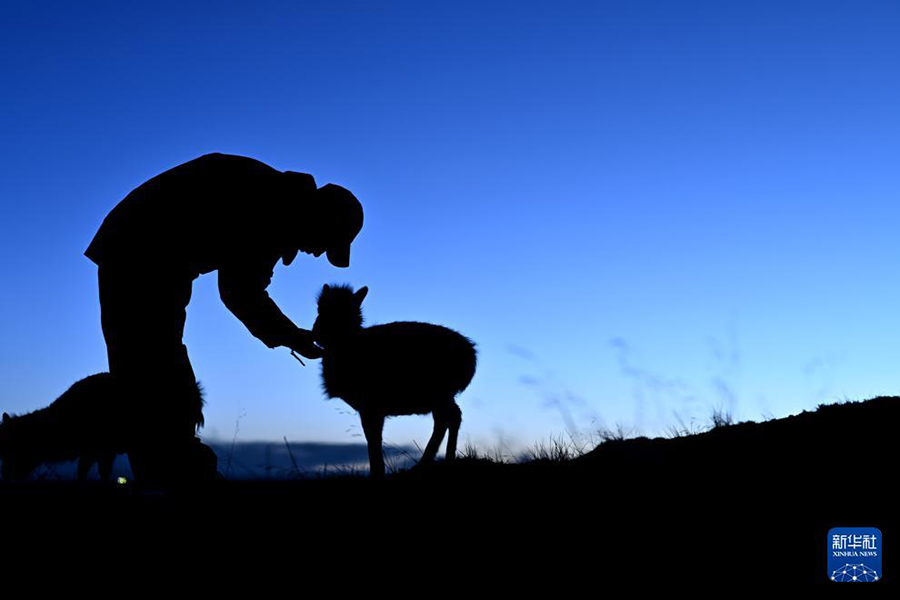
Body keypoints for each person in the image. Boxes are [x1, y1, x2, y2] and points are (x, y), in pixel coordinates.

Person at [84, 152, 363, 486]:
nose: (317, 253)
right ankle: (173, 482)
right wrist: (293, 337)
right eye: (326, 243)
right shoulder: (271, 206)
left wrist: (290, 336)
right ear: (321, 218)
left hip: (150, 256)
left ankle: (172, 477)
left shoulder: (279, 201)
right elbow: (241, 291)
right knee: (151, 372)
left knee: (154, 372)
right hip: (139, 253)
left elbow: (243, 286)